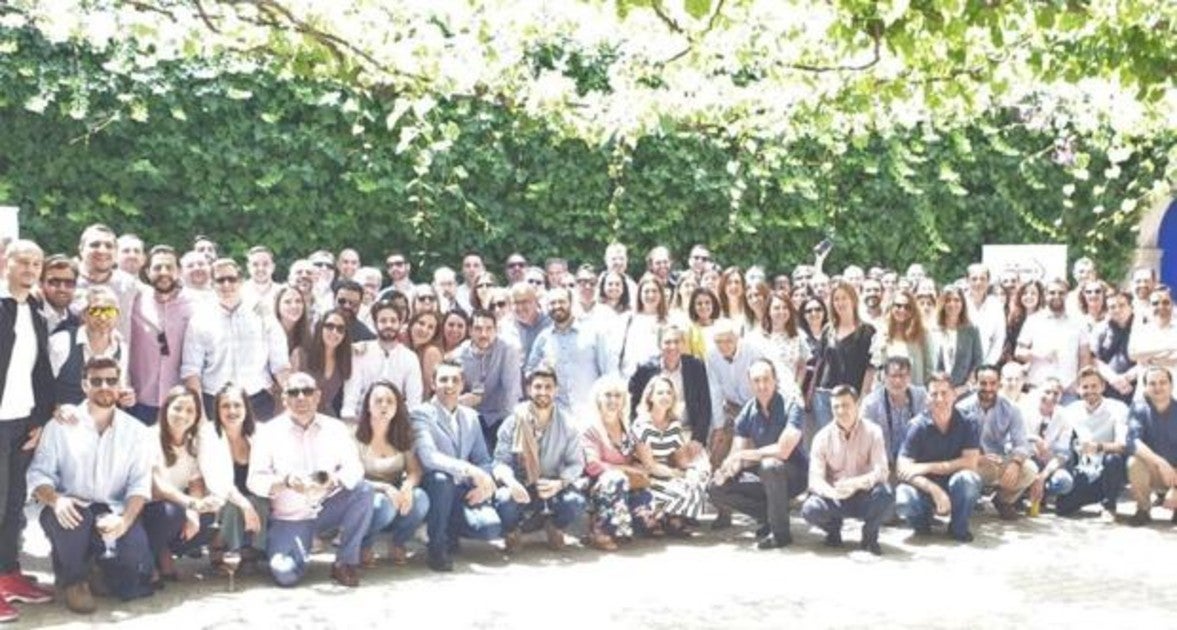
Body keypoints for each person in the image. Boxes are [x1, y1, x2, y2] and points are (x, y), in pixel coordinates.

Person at [28, 357, 153, 614]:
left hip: (112, 510)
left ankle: (97, 567)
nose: (104, 386)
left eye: (111, 380)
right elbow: (39, 474)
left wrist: (125, 521)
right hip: (71, 507)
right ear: (85, 386)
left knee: (130, 571)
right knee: (74, 520)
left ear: (120, 386)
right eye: (96, 381)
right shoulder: (60, 426)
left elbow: (139, 485)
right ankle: (74, 580)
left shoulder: (137, 432)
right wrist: (56, 500)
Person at [246, 372, 373, 587]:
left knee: (363, 491)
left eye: (307, 391)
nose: (301, 398)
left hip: (327, 507)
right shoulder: (268, 433)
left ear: (318, 396)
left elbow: (355, 467)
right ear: (284, 398)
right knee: (285, 575)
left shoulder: (336, 428)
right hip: (290, 518)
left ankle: (345, 562)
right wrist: (285, 481)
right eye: (294, 392)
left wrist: (334, 480)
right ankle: (289, 547)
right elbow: (254, 480)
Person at [0, 240, 56, 618]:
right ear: (6, 261)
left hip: (22, 421)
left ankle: (7, 574)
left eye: (37, 263)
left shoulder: (33, 309)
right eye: (24, 261)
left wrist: (38, 421)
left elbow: (39, 370)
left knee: (13, 505)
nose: (31, 268)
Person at [411, 361, 503, 572]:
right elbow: (429, 456)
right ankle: (437, 547)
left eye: (455, 380)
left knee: (489, 529)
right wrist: (469, 469)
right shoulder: (420, 414)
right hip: (432, 487)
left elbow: (482, 459)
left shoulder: (471, 417)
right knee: (441, 479)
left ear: (463, 385)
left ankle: (451, 529)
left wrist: (482, 486)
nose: (449, 385)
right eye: (443, 379)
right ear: (433, 384)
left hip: (461, 490)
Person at [710, 360, 808, 549]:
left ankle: (781, 534)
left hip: (793, 475)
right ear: (750, 383)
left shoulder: (792, 406)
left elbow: (783, 450)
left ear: (775, 380)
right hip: (764, 474)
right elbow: (737, 454)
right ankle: (773, 516)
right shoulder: (747, 411)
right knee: (716, 488)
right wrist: (726, 472)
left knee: (770, 464)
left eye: (766, 379)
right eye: (756, 380)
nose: (762, 385)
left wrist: (745, 455)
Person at [182, 259, 290, 421]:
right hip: (214, 400)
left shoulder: (261, 312)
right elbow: (191, 370)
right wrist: (200, 414)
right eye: (220, 280)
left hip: (257, 399)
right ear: (212, 284)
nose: (226, 284)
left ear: (240, 281)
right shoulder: (200, 318)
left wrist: (290, 394)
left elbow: (280, 362)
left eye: (231, 279)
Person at [492, 368, 587, 551]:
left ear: (556, 390)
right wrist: (511, 482)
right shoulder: (513, 422)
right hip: (521, 482)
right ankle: (512, 531)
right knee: (504, 499)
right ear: (528, 389)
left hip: (551, 485)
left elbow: (576, 463)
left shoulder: (568, 424)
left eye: (548, 387)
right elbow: (499, 462)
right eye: (537, 387)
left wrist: (559, 484)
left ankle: (554, 526)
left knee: (576, 502)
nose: (543, 392)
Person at [142, 387, 225, 582]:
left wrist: (194, 512)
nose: (183, 415)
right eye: (177, 408)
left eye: (190, 411)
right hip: (147, 507)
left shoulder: (192, 443)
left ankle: (166, 552)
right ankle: (150, 558)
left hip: (178, 504)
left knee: (206, 517)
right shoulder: (148, 437)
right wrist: (190, 504)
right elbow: (157, 487)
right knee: (173, 513)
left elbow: (195, 483)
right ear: (165, 409)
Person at [801, 385, 893, 555]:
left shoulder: (873, 432)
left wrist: (855, 483)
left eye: (846, 405)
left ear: (857, 405)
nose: (841, 411)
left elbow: (882, 471)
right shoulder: (821, 437)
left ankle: (869, 536)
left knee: (885, 494)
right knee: (810, 509)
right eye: (836, 406)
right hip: (836, 496)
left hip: (864, 494)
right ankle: (833, 530)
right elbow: (815, 480)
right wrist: (832, 493)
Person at [894, 372, 983, 542]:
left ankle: (958, 528)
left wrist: (927, 467)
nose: (940, 399)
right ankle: (922, 525)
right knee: (903, 496)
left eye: (944, 393)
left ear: (954, 395)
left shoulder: (968, 422)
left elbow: (970, 463)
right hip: (924, 488)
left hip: (956, 485)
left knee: (969, 480)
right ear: (927, 397)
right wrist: (934, 490)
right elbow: (902, 469)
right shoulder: (917, 426)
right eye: (934, 394)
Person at [354, 381, 429, 567]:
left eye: (390, 401)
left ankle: (398, 542)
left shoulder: (402, 433)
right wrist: (385, 487)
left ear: (397, 406)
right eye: (378, 400)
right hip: (364, 495)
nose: (384, 405)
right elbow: (351, 478)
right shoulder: (354, 436)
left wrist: (408, 486)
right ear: (368, 406)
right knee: (383, 505)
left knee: (421, 499)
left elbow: (414, 471)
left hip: (395, 494)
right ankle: (364, 545)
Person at [582, 376, 656, 551]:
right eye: (608, 395)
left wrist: (638, 470)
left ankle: (622, 526)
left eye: (618, 396)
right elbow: (593, 465)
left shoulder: (627, 429)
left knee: (644, 516)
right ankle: (600, 529)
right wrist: (625, 470)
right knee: (616, 479)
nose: (613, 400)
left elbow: (637, 460)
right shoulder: (590, 429)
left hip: (627, 484)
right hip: (596, 484)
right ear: (598, 399)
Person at [632, 376, 711, 536]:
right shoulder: (642, 425)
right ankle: (659, 516)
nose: (665, 396)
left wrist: (695, 470)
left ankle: (669, 516)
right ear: (650, 397)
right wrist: (675, 474)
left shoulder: (675, 425)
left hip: (668, 473)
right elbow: (650, 465)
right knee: (679, 489)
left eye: (669, 393)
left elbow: (681, 460)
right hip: (647, 477)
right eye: (660, 392)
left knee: (696, 487)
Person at [956, 365, 1037, 519]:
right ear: (975, 383)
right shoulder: (961, 409)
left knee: (1030, 469)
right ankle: (967, 503)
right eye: (983, 383)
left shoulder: (1011, 408)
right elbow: (955, 446)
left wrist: (1016, 462)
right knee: (963, 476)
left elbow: (1021, 443)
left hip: (998, 461)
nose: (988, 388)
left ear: (999, 384)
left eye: (992, 383)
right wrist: (976, 458)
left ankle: (1003, 501)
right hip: (973, 462)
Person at [128, 246, 194, 425]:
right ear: (148, 272)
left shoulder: (194, 305)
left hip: (180, 401)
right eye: (157, 268)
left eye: (169, 267)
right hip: (140, 399)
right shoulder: (134, 301)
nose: (163, 272)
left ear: (179, 271)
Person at [208, 384, 267, 570]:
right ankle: (227, 546)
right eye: (225, 406)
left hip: (256, 498)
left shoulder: (261, 433)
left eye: (237, 405)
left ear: (246, 408)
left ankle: (253, 547)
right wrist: (245, 505)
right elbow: (218, 482)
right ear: (217, 410)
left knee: (260, 501)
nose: (232, 411)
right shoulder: (209, 434)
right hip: (222, 498)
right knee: (234, 504)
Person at [628, 325, 713, 454]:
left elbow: (705, 405)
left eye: (676, 341)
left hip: (686, 431)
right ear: (659, 345)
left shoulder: (695, 367)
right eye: (667, 342)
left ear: (683, 344)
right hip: (654, 433)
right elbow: (633, 405)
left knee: (698, 470)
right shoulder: (645, 369)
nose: (672, 347)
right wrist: (637, 437)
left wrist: (698, 439)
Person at [526, 287, 609, 416]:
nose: (557, 306)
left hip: (590, 411)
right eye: (552, 303)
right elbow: (529, 372)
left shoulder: (592, 333)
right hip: (556, 414)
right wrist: (542, 371)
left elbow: (608, 372)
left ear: (570, 303)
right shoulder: (543, 338)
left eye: (561, 301)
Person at [50, 286, 133, 408]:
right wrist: (54, 408)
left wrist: (125, 397)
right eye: (96, 311)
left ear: (117, 315)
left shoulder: (121, 347)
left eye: (109, 311)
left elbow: (118, 388)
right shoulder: (62, 341)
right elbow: (41, 385)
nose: (103, 317)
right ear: (84, 314)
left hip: (100, 422)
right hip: (63, 421)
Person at [342, 300, 423, 422]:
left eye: (393, 321)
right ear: (375, 324)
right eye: (383, 321)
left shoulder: (410, 358)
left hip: (395, 422)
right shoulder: (361, 352)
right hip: (363, 420)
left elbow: (414, 403)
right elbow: (351, 396)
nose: (388, 325)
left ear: (400, 323)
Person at [454, 310, 523, 451]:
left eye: (489, 329)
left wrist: (509, 428)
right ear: (470, 331)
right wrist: (459, 401)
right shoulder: (460, 355)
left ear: (496, 330)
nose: (484, 334)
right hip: (472, 417)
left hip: (501, 415)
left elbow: (511, 391)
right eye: (478, 329)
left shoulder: (507, 350)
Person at [705, 320, 768, 472]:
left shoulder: (753, 351)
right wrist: (719, 425)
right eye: (718, 341)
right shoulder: (712, 355)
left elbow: (764, 385)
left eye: (728, 340)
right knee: (718, 449)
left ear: (737, 338)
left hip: (756, 406)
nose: (723, 346)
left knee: (752, 454)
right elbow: (715, 389)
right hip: (732, 407)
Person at [813, 281, 876, 432]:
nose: (840, 303)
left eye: (844, 298)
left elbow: (870, 369)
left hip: (852, 395)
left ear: (853, 300)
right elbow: (820, 363)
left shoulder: (867, 331)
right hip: (825, 395)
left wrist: (863, 398)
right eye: (836, 299)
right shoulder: (828, 330)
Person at [1016, 278, 1092, 399]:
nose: (1056, 296)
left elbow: (1085, 356)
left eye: (1061, 293)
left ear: (1067, 295)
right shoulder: (1033, 320)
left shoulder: (1079, 322)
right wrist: (1038, 354)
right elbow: (1019, 352)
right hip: (1038, 388)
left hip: (1068, 390)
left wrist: (1081, 384)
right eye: (1052, 292)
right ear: (1045, 295)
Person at [1125, 365, 1177, 526]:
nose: (1158, 387)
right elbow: (1133, 441)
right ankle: (1143, 510)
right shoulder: (1139, 409)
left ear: (1171, 386)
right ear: (1145, 387)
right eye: (1152, 383)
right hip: (1154, 470)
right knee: (1134, 462)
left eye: (1163, 382)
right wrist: (1160, 463)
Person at [860, 356, 928, 469]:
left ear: (910, 377)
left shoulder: (921, 396)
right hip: (883, 465)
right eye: (893, 376)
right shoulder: (871, 403)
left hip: (915, 464)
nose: (898, 381)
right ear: (884, 377)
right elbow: (863, 440)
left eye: (902, 376)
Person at [72, 224, 139, 340]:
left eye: (109, 246)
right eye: (95, 245)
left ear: (116, 252)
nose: (102, 250)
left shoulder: (129, 284)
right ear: (81, 249)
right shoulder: (66, 284)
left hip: (117, 356)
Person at [294, 309, 353, 416]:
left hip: (325, 417)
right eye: (330, 326)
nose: (335, 332)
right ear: (320, 327)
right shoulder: (301, 355)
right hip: (298, 414)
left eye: (340, 329)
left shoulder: (343, 361)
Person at [755, 291, 811, 398]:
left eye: (785, 307)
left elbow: (802, 366)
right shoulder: (758, 337)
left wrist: (796, 387)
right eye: (776, 308)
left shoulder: (798, 335)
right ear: (768, 311)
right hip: (767, 397)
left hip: (792, 396)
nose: (781, 311)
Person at [872, 290, 933, 386]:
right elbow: (875, 366)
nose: (902, 310)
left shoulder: (922, 334)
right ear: (891, 307)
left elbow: (929, 368)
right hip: (887, 392)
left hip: (915, 392)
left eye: (907, 307)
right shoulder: (881, 334)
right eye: (898, 305)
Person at [932, 285, 983, 395]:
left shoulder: (971, 330)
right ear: (942, 303)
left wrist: (965, 387)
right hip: (937, 391)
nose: (952, 304)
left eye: (957, 300)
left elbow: (978, 361)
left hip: (963, 391)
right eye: (948, 300)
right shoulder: (933, 330)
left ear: (962, 304)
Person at [1092, 290, 1137, 404]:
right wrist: (1114, 379)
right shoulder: (1100, 329)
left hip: (1137, 387)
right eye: (1112, 307)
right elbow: (1094, 359)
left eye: (1122, 305)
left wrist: (1126, 378)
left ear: (1131, 307)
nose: (1117, 310)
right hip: (1108, 388)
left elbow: (1149, 359)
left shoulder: (1143, 328)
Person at [1128, 286, 1177, 382]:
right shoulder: (1140, 330)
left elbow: (1140, 354)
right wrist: (1170, 351)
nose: (1161, 306)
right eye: (1155, 303)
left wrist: (1150, 357)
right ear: (1149, 307)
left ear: (1172, 305)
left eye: (1166, 302)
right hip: (1146, 389)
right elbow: (1133, 354)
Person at [965, 263, 1006, 365]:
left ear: (988, 282)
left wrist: (987, 365)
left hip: (986, 367)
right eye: (974, 279)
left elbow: (998, 339)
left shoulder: (995, 305)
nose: (978, 282)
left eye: (982, 279)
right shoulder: (959, 303)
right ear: (967, 281)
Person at [39, 254, 80, 335]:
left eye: (69, 283)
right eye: (54, 282)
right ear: (40, 283)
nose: (62, 289)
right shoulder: (29, 314)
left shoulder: (76, 323)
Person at [407, 310, 444, 398]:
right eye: (421, 323)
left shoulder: (431, 352)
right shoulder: (408, 349)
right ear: (412, 324)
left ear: (434, 334)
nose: (424, 329)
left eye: (430, 327)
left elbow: (429, 391)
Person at [274, 285, 312, 363]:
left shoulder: (307, 335)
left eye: (298, 301)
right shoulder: (268, 333)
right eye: (287, 302)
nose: (294, 306)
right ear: (278, 306)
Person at [242, 246, 282, 312]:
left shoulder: (282, 292)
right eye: (255, 264)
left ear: (273, 267)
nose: (260, 268)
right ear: (248, 267)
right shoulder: (239, 292)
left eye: (265, 264)